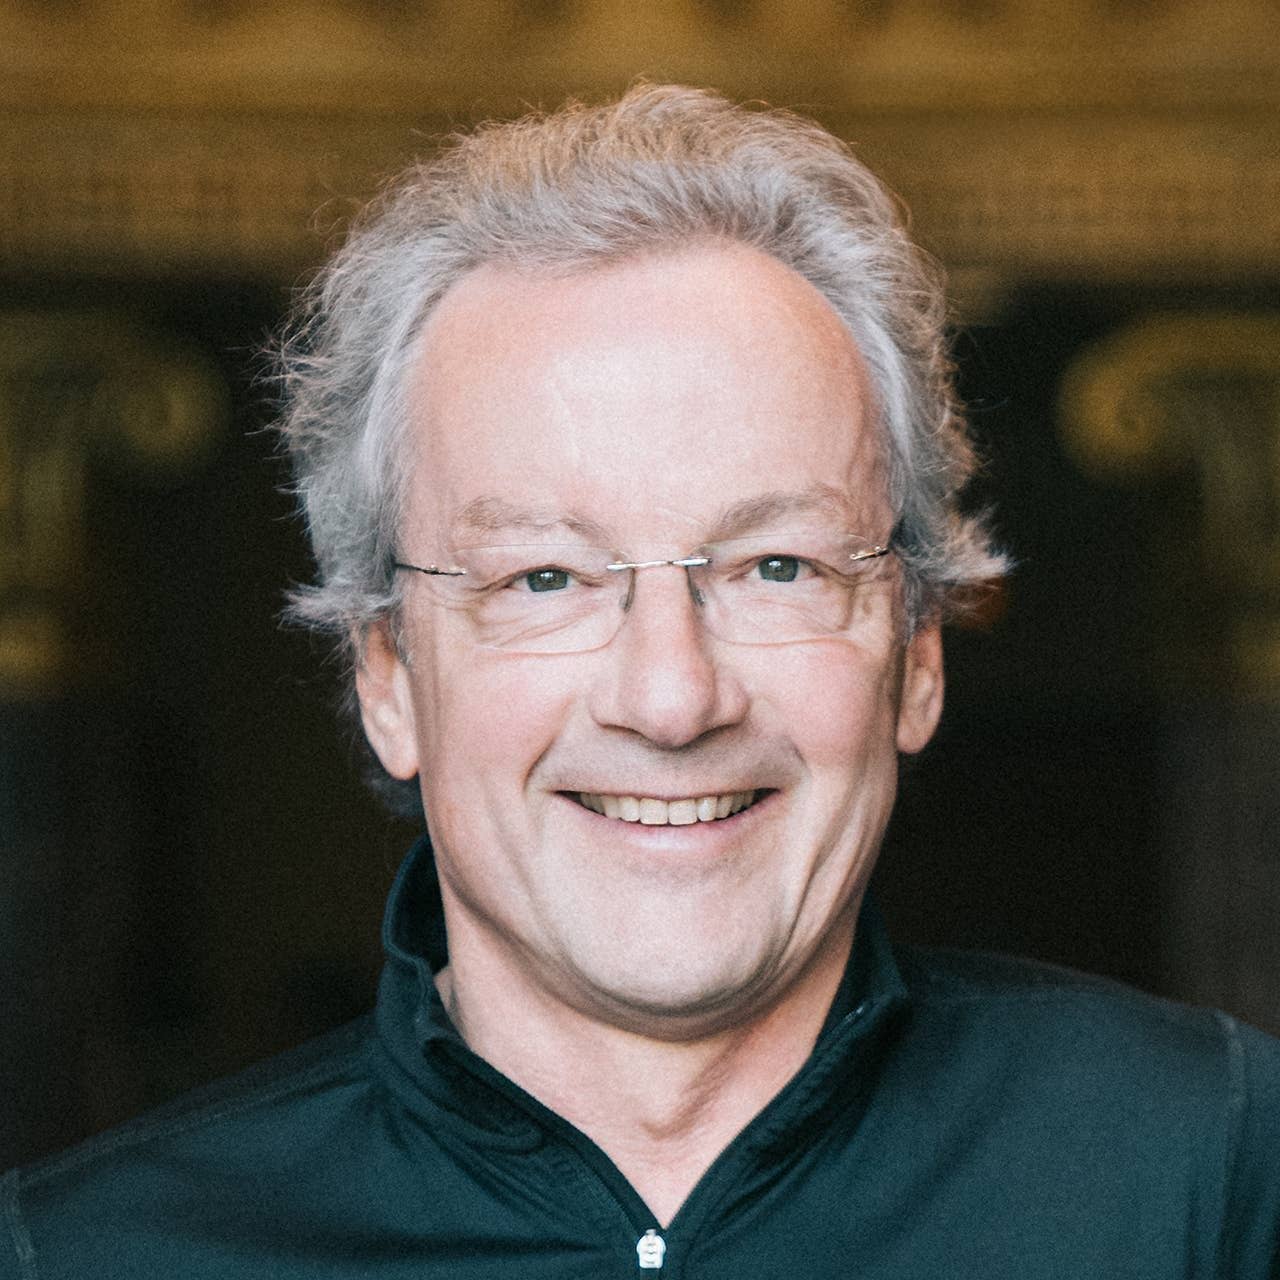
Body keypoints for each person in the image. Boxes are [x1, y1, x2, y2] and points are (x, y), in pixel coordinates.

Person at [4, 84, 1278, 1278]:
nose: (670, 699)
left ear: (916, 647)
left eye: (774, 564)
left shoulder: (1214, 1175)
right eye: (545, 577)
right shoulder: (83, 1254)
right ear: (387, 673)